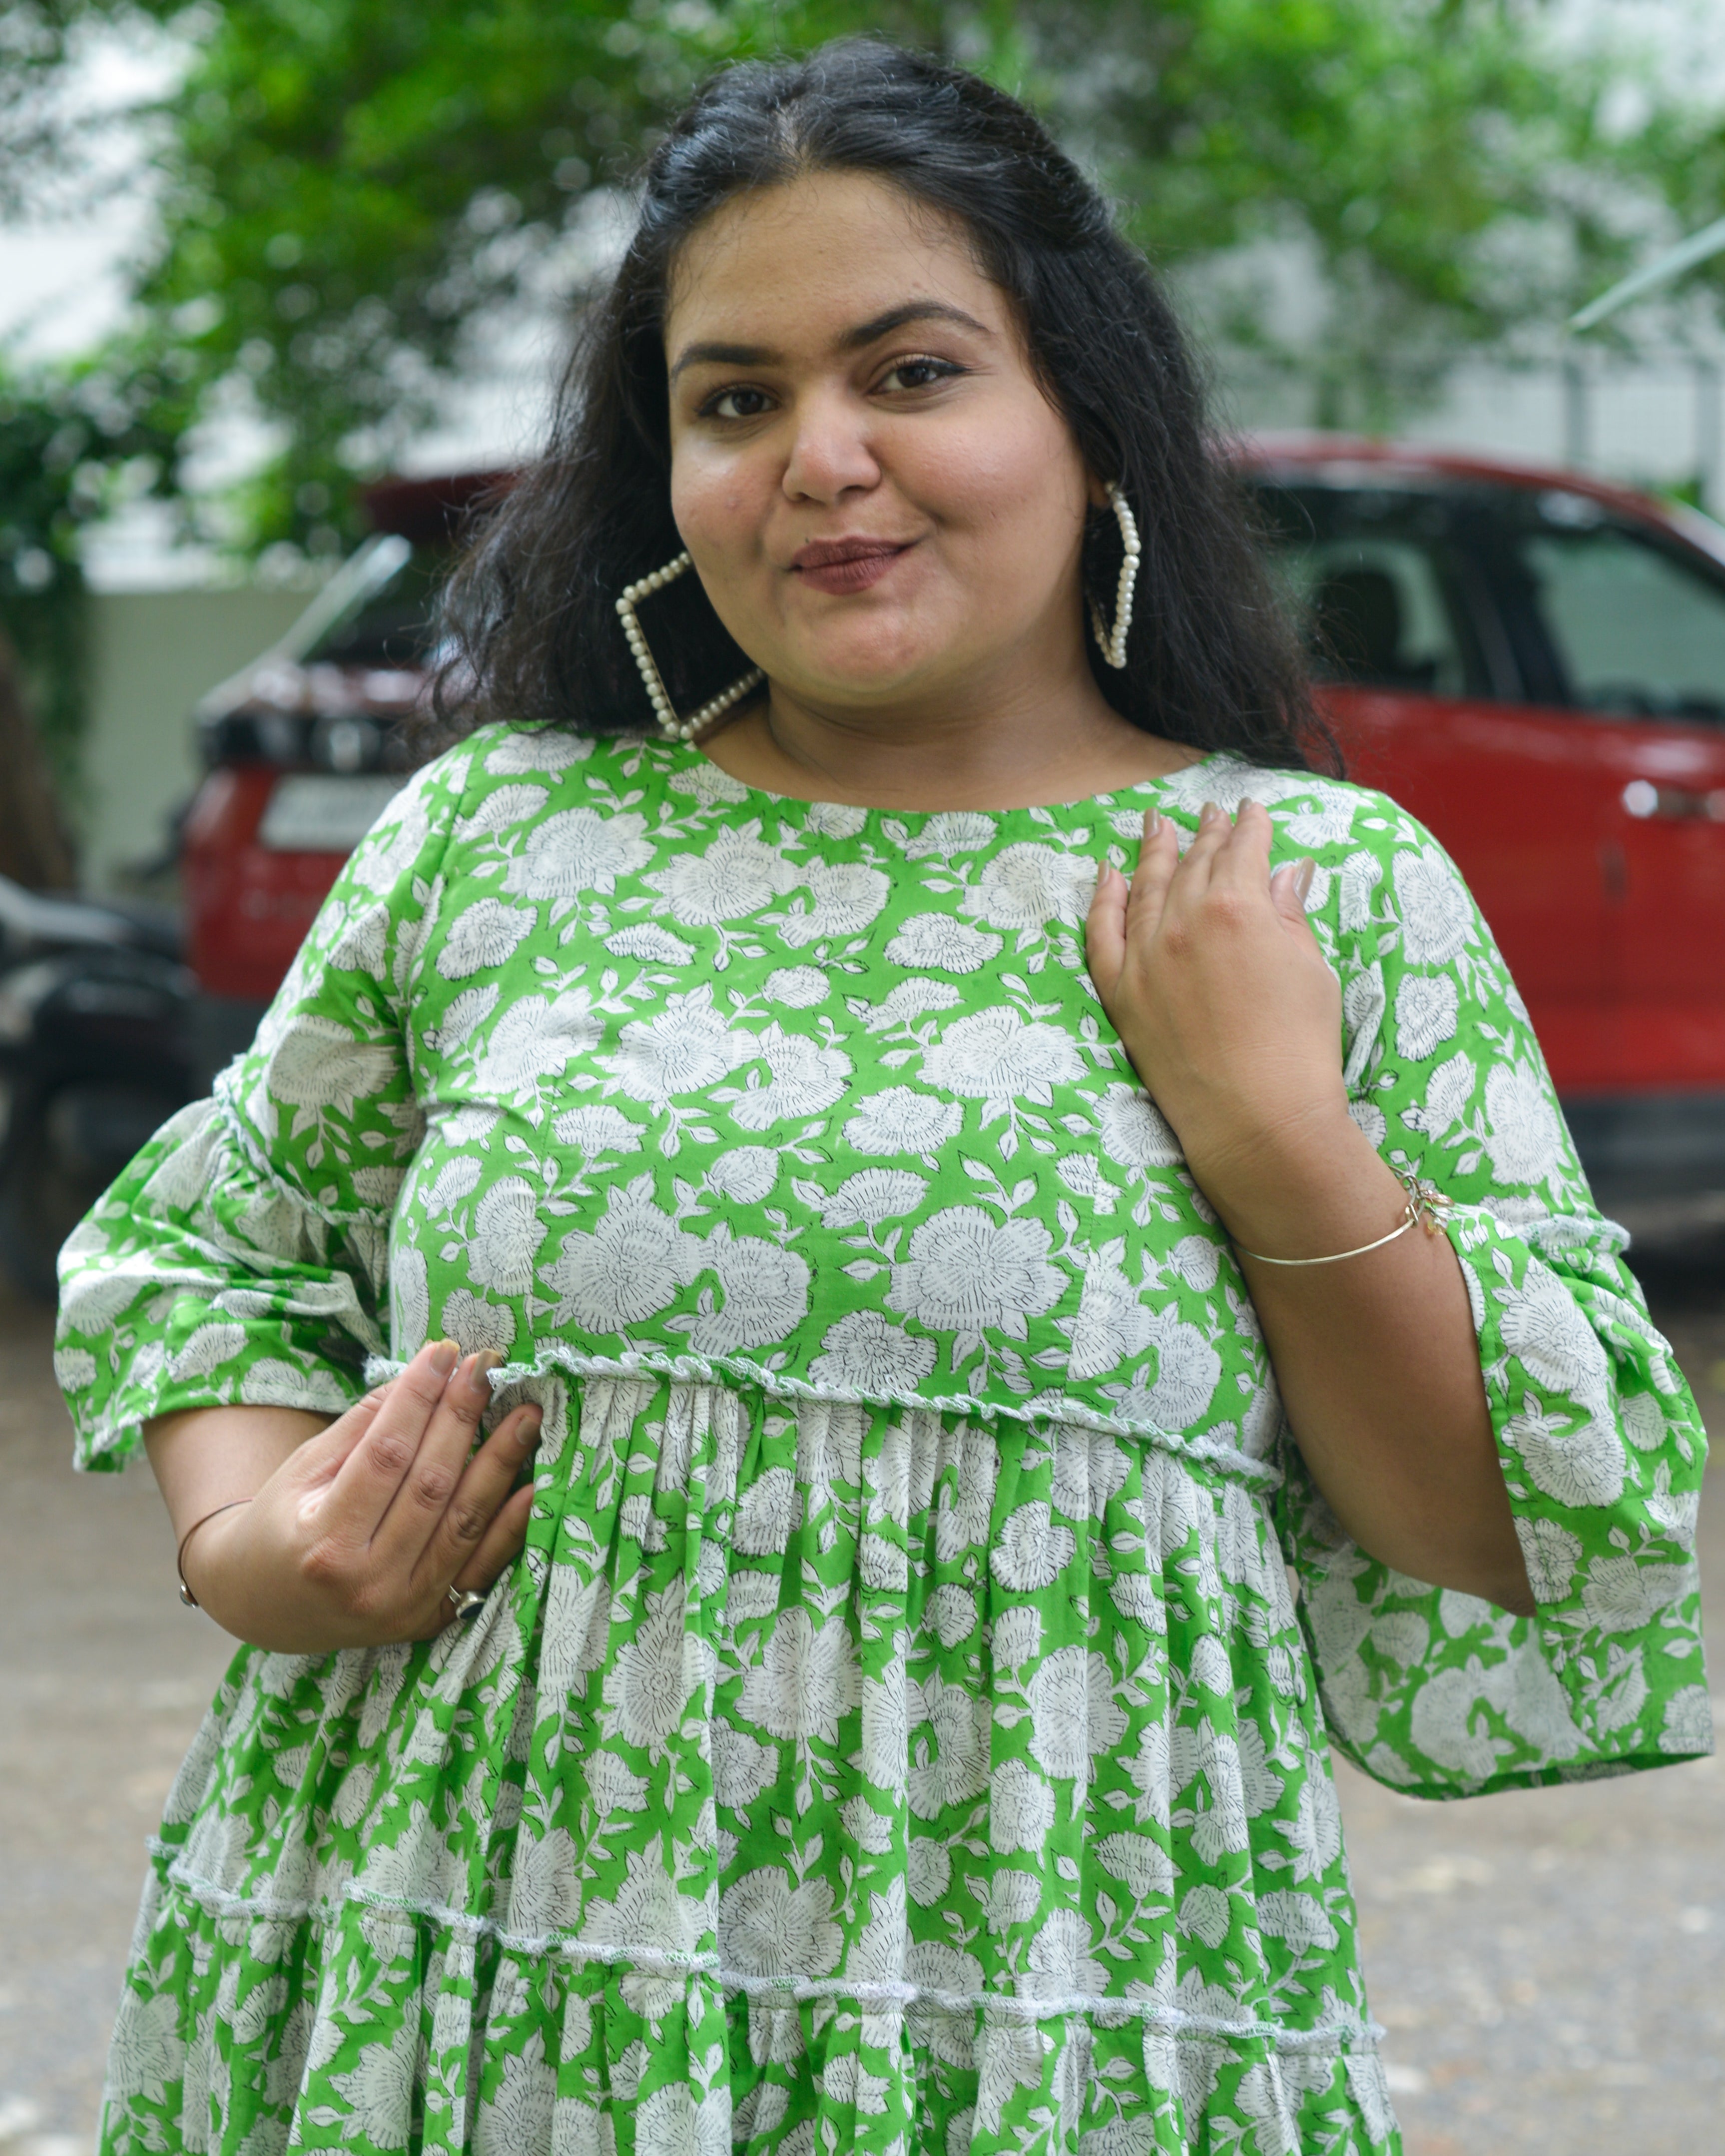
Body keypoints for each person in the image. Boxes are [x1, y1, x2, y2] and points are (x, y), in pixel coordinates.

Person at [57, 39, 1710, 2156]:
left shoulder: (1310, 886)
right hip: (461, 1978)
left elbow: (1516, 1520)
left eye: (912, 372)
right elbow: (208, 1249)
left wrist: (1280, 1142)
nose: (821, 458)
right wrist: (260, 1543)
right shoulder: (502, 833)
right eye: (735, 401)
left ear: (1087, 416)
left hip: (1038, 2017)